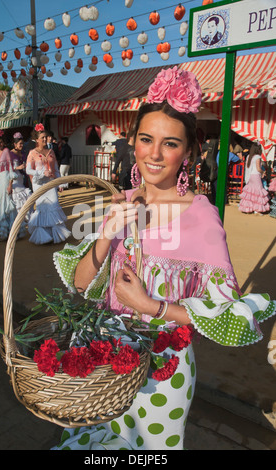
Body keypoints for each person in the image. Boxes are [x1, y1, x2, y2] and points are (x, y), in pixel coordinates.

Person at [52, 67, 275, 450]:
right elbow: (81, 283)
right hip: (106, 358)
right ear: (133, 142)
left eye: (170, 143)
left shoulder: (202, 216)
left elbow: (222, 310)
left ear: (188, 151)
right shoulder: (120, 203)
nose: (154, 154)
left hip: (163, 371)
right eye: (146, 139)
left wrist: (151, 306)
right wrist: (106, 235)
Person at [26, 124, 71, 244]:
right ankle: (43, 236)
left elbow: (56, 169)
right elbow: (28, 170)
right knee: (42, 208)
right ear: (37, 140)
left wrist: (60, 183)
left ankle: (55, 234)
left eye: (46, 137)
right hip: (39, 185)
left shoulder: (51, 152)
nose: (45, 139)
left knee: (53, 206)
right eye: (42, 138)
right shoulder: (32, 153)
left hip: (51, 184)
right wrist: (41, 172)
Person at [0, 130, 25, 241]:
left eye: (1, 142)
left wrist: (10, 185)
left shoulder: (7, 151)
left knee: (7, 203)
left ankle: (10, 231)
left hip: (5, 178)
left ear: (4, 143)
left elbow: (10, 168)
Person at [239, 143, 270, 214]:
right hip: (256, 176)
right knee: (258, 192)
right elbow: (258, 168)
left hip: (250, 176)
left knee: (250, 192)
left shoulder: (249, 156)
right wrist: (263, 171)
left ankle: (248, 208)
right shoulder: (257, 157)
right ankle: (257, 209)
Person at [10, 132, 32, 220]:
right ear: (15, 144)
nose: (22, 145)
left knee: (28, 200)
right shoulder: (10, 154)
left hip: (22, 179)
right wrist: (17, 167)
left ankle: (27, 219)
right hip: (14, 181)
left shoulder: (23, 153)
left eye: (22, 143)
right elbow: (7, 168)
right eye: (20, 144)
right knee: (18, 202)